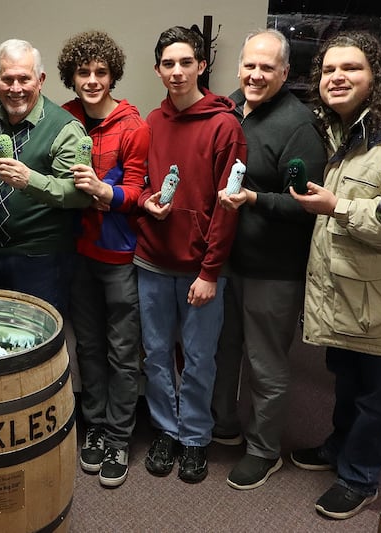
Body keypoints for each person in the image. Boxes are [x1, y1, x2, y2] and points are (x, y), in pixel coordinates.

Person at [289, 32, 381, 520]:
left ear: (378, 76)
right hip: (344, 288)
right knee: (345, 380)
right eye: (328, 70)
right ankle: (338, 449)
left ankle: (361, 476)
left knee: (376, 395)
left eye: (351, 69)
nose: (336, 78)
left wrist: (336, 206)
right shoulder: (348, 127)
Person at [210, 29, 327, 490]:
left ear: (285, 72)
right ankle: (226, 426)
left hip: (272, 269)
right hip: (226, 261)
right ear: (239, 67)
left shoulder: (299, 126)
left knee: (266, 363)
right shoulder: (229, 107)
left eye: (267, 67)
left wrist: (256, 199)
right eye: (250, 65)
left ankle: (263, 450)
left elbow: (306, 206)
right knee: (225, 349)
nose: (256, 74)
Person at [137, 26, 246, 484]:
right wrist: (146, 200)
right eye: (168, 64)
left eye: (186, 62)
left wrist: (210, 272)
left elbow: (228, 210)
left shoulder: (226, 126)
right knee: (156, 354)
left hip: (201, 270)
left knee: (200, 358)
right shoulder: (154, 121)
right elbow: (141, 179)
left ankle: (196, 436)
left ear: (201, 66)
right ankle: (166, 429)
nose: (177, 71)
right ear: (158, 69)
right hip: (151, 261)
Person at [56, 30, 148, 488]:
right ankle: (93, 425)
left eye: (100, 72)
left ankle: (118, 435)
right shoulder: (61, 118)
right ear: (71, 77)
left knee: (122, 350)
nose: (92, 80)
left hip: (118, 255)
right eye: (83, 72)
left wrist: (104, 192)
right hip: (76, 252)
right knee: (88, 346)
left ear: (112, 75)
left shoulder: (134, 126)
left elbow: (138, 192)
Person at [0, 38, 90, 315]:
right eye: (7, 79)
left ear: (40, 79)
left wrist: (30, 180)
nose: (15, 89)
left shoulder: (65, 127)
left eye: (24, 79)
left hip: (42, 259)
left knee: (37, 344)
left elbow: (80, 194)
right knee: (1, 339)